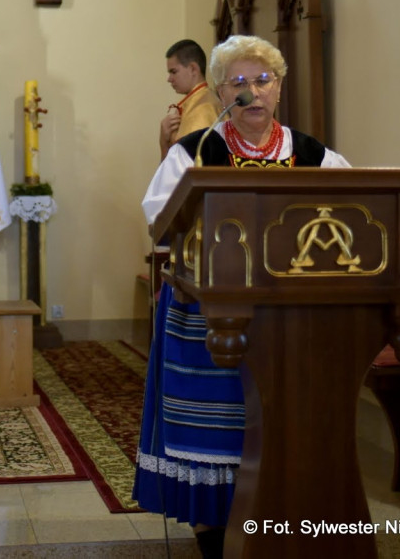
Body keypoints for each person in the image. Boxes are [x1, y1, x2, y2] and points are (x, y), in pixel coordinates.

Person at [133, 35, 351, 559]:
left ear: (279, 88)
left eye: (263, 80)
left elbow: (348, 210)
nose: (252, 91)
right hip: (206, 313)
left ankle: (284, 520)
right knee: (214, 433)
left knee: (278, 428)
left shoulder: (314, 155)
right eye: (239, 82)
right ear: (224, 91)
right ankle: (212, 531)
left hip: (288, 319)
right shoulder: (196, 151)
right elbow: (158, 217)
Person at [158, 39, 220, 160]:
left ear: (193, 69)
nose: (169, 79)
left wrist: (164, 144)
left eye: (173, 72)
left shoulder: (202, 108)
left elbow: (183, 166)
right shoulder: (195, 101)